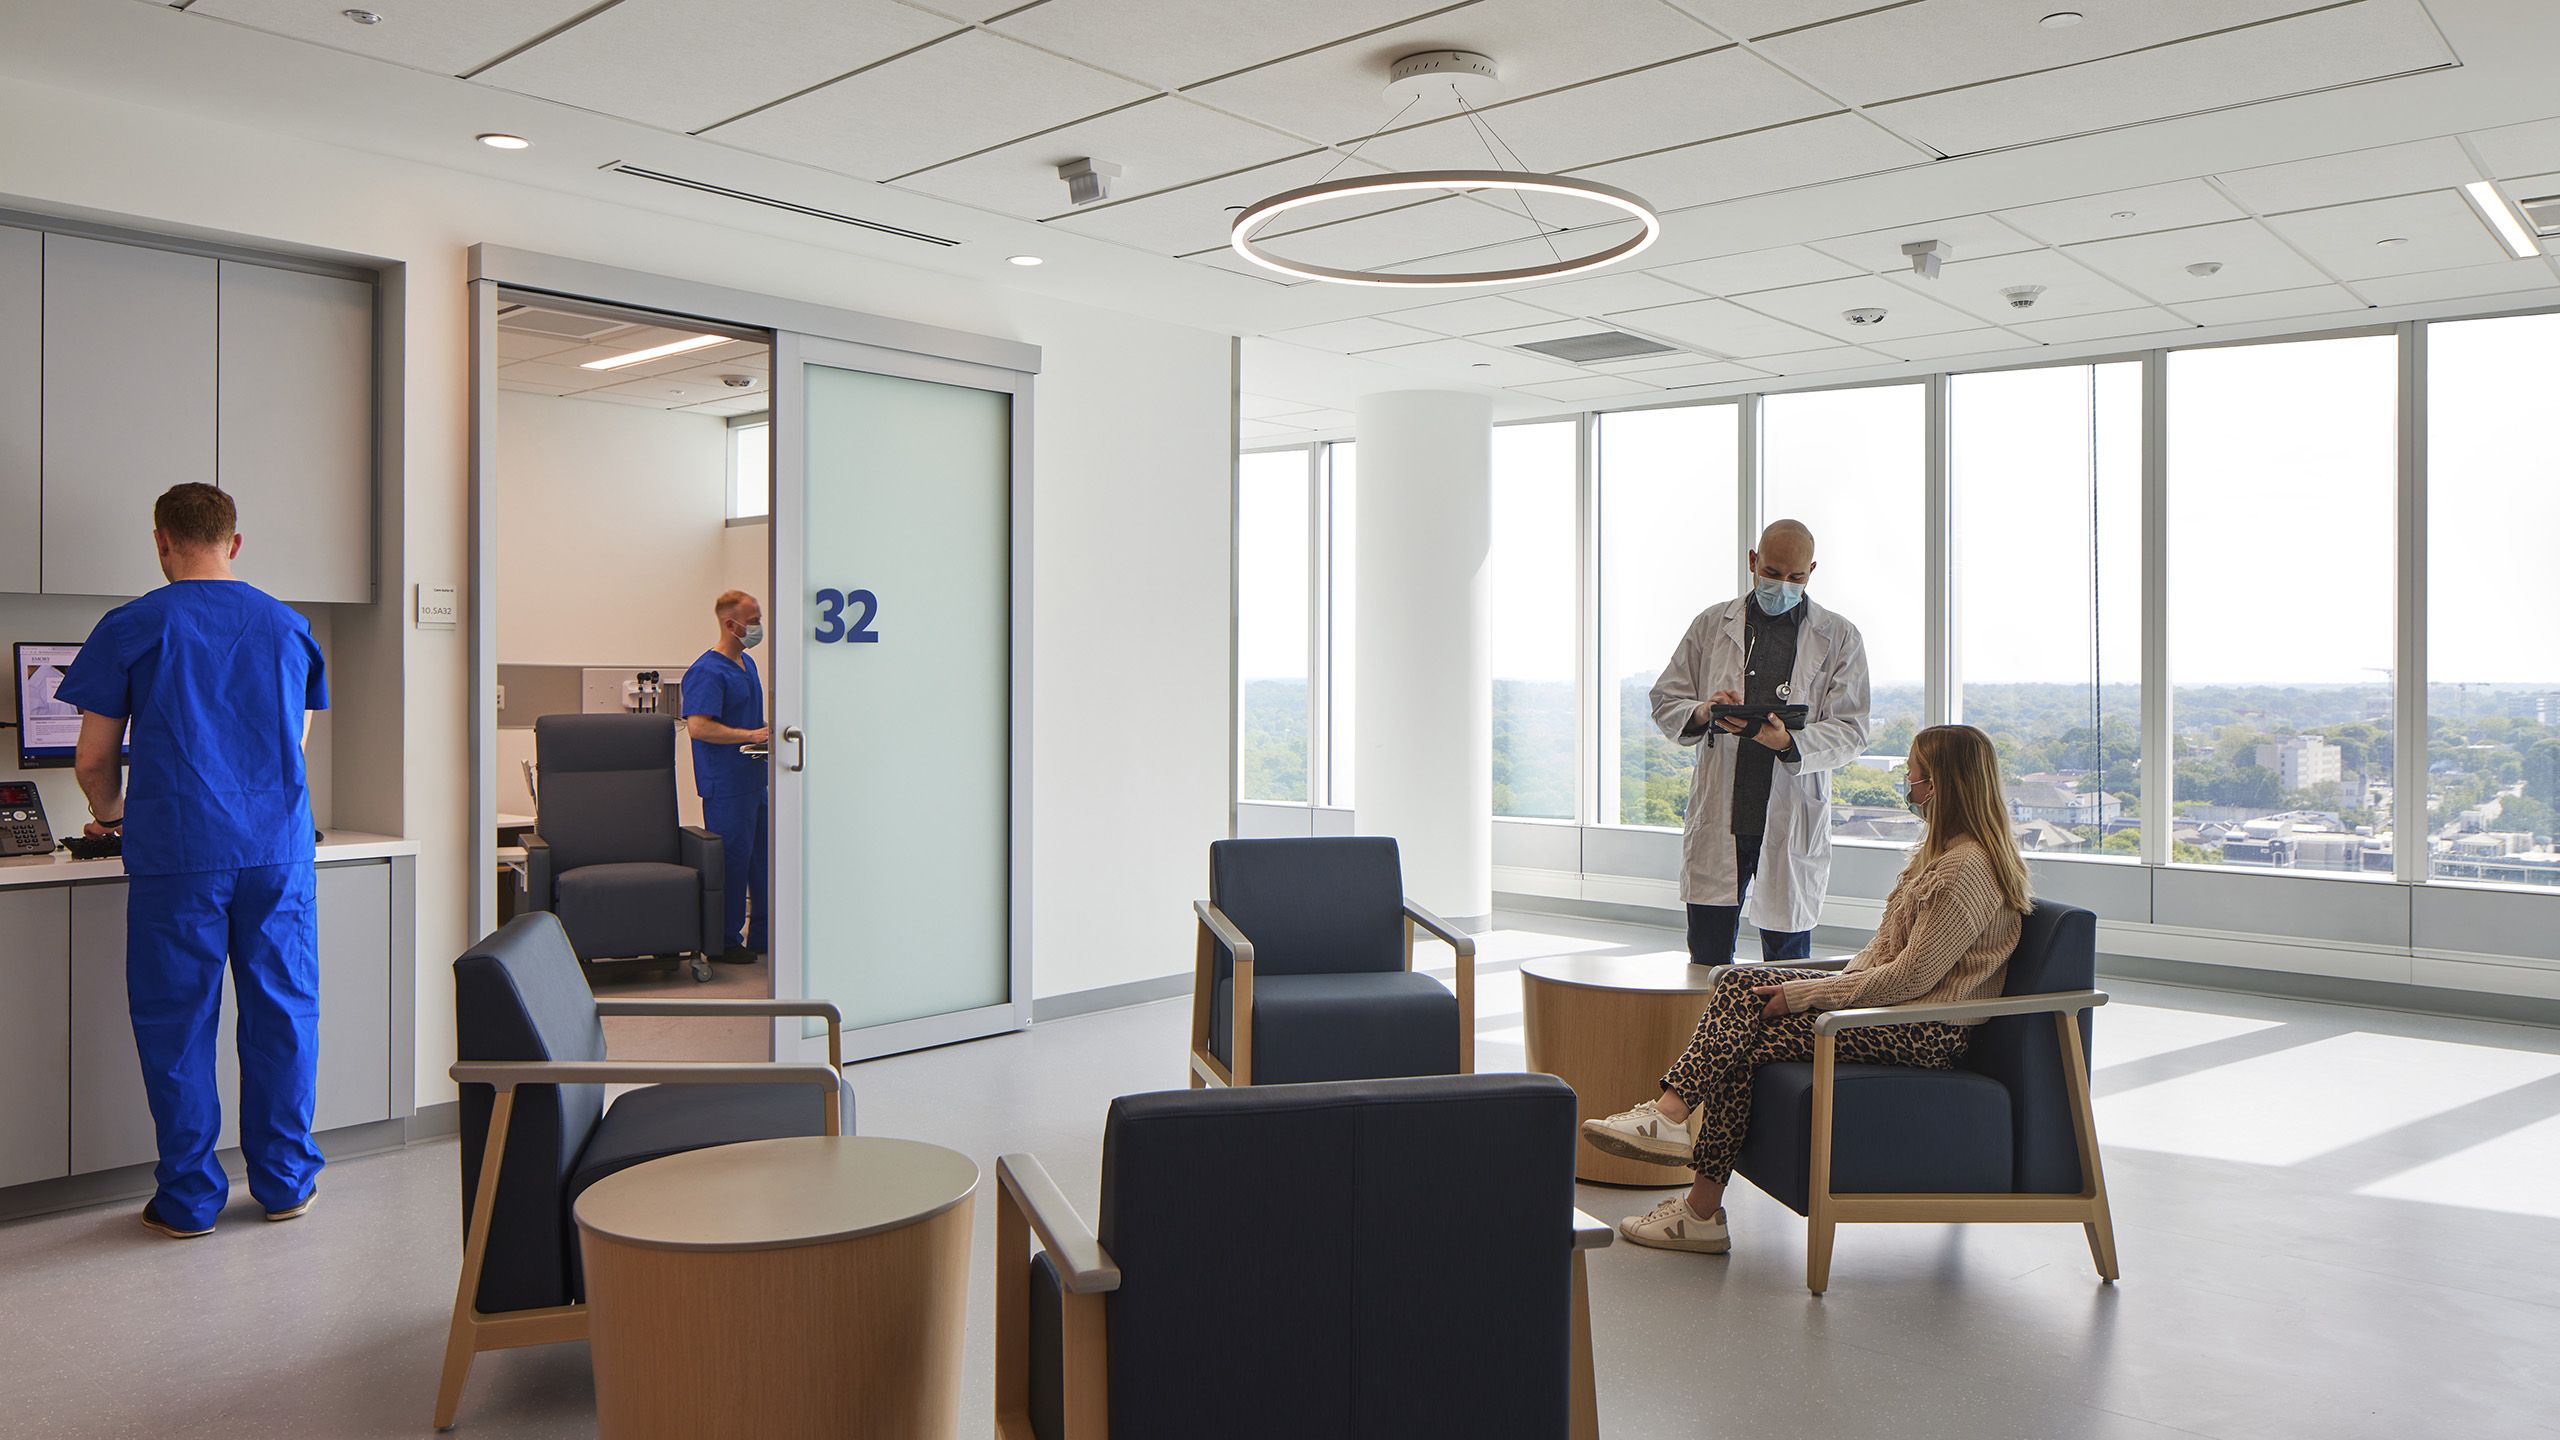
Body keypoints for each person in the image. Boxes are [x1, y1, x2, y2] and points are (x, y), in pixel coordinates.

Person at [1579, 724, 2034, 1254]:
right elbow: (1885, 961)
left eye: (1914, 773)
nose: (1907, 782)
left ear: (1940, 785)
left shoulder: (1967, 868)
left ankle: (1691, 1185)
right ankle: (1671, 1123)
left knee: (1745, 1044)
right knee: (1739, 980)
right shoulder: (1944, 854)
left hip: (1923, 1030)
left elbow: (1912, 979)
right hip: (1893, 1010)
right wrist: (1822, 985)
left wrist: (1808, 995)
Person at [60, 483, 329, 1240]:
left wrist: (113, 816)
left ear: (161, 541)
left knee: (177, 1023)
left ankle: (189, 1200)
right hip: (277, 853)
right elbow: (294, 743)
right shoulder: (288, 626)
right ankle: (284, 1185)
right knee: (283, 1012)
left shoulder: (132, 625)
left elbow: (91, 759)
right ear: (235, 543)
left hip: (179, 852)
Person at [1648, 519, 1870, 967]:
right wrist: (1705, 710)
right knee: (1707, 961)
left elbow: (1852, 729)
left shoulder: (1839, 636)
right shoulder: (1712, 624)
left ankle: (1784, 1043)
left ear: (1811, 571)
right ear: (1753, 561)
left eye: (1795, 577)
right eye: (1771, 573)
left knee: (1787, 968)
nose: (1782, 585)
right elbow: (1665, 699)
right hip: (1722, 815)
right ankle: (1709, 1037)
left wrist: (1789, 741)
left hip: (1790, 816)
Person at [682, 590, 771, 963]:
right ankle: (725, 941)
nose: (758, 627)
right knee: (732, 860)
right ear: (730, 624)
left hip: (755, 779)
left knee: (764, 859)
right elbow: (700, 728)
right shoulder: (706, 671)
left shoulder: (747, 665)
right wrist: (750, 736)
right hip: (727, 784)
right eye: (752, 621)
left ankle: (764, 935)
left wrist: (766, 732)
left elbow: (750, 719)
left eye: (759, 619)